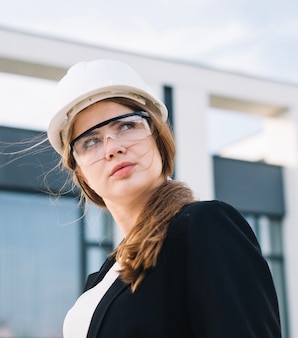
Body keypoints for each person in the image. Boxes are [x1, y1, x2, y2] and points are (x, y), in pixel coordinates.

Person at [46, 59, 281, 338]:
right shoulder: (100, 283)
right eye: (91, 141)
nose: (113, 148)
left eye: (126, 126)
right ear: (81, 173)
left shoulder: (204, 227)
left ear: (158, 137)